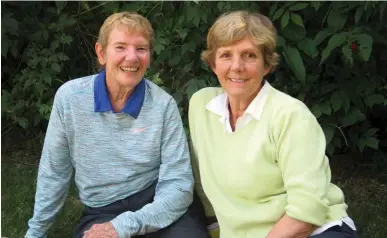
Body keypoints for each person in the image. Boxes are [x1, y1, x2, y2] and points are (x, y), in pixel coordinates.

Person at [25, 12, 209, 238]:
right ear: (101, 53)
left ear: (150, 57)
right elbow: (54, 171)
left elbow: (179, 186)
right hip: (103, 209)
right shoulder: (71, 99)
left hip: (158, 201)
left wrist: (124, 226)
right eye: (120, 47)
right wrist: (36, 232)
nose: (131, 57)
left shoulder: (163, 105)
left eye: (141, 49)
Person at [189, 10, 358, 238]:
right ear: (213, 64)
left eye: (249, 55)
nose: (237, 66)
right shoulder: (202, 105)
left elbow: (306, 212)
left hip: (315, 230)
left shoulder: (290, 115)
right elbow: (202, 180)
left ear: (266, 65)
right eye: (226, 55)